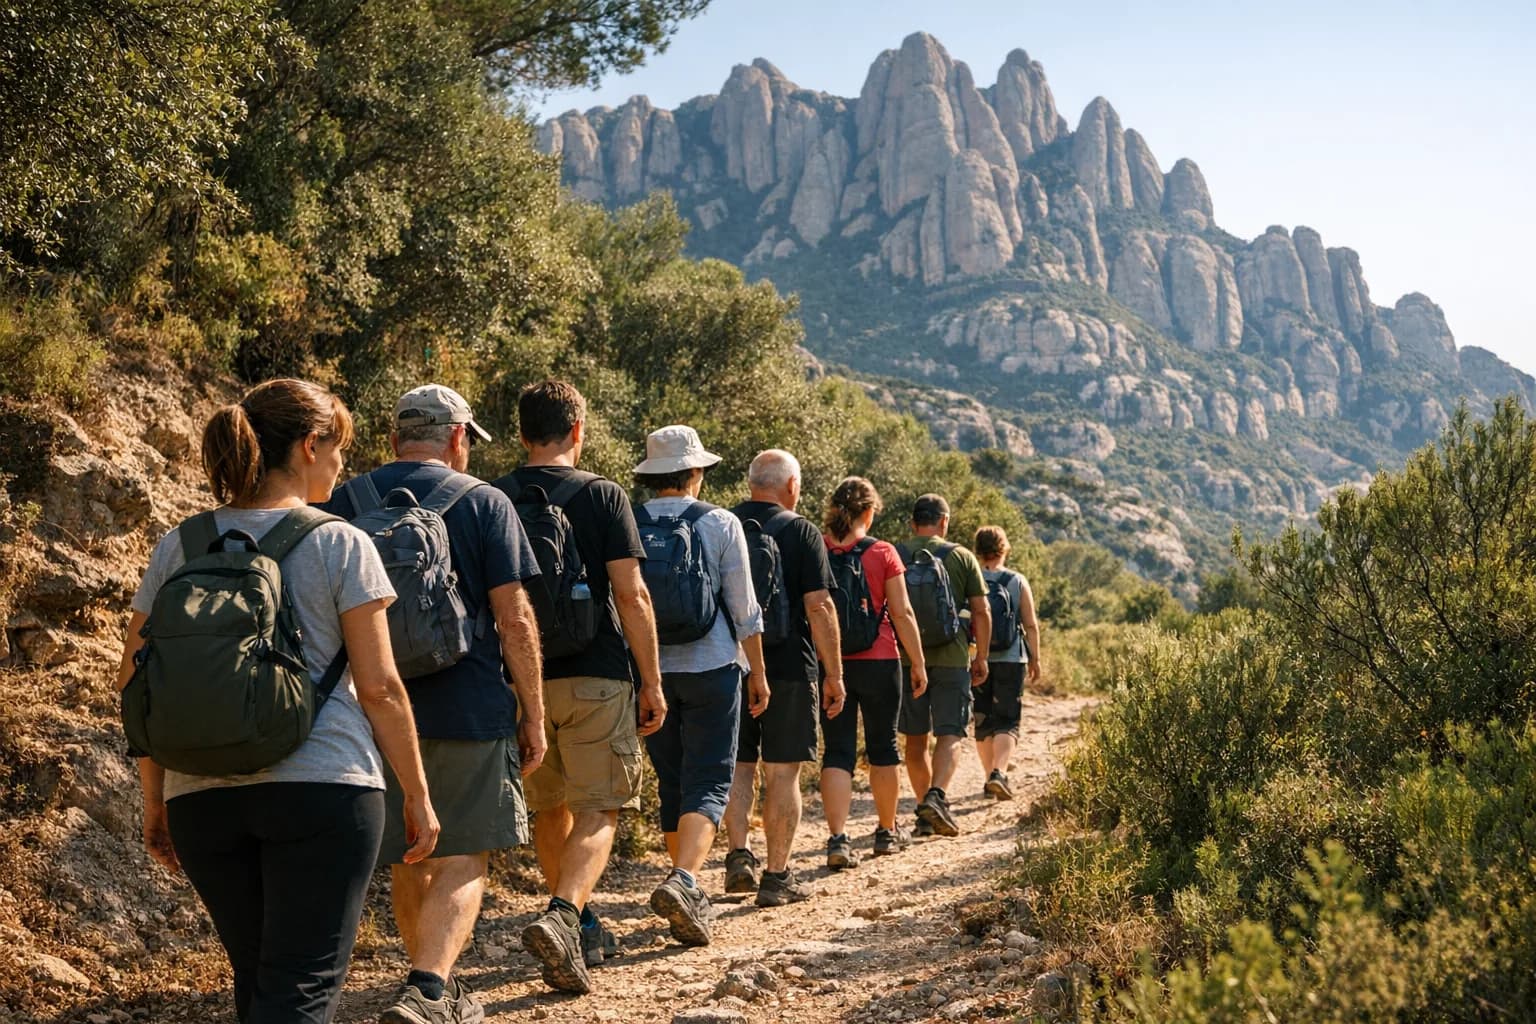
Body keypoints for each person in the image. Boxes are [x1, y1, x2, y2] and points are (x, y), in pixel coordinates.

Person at [118, 378, 440, 1024]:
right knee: (300, 987)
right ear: (309, 444)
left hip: (199, 797)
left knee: (262, 984)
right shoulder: (340, 541)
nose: (341, 466)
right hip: (322, 787)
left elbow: (135, 684)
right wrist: (417, 792)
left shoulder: (178, 544)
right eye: (338, 449)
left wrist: (156, 798)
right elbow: (379, 687)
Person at [319, 383, 546, 1024]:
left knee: (407, 850)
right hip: (469, 706)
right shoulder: (486, 503)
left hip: (373, 710)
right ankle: (428, 986)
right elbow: (515, 618)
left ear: (394, 438)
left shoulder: (345, 499)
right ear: (456, 437)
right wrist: (531, 710)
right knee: (465, 851)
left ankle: (426, 984)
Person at [491, 381, 666, 994]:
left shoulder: (494, 498)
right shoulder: (602, 495)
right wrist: (651, 679)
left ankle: (583, 922)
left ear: (521, 434)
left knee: (548, 808)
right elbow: (631, 593)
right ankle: (566, 915)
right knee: (600, 807)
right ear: (578, 431)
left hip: (523, 683)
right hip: (598, 674)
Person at [635, 425, 769, 946]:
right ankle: (685, 880)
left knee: (672, 779)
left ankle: (680, 884)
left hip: (653, 674)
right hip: (713, 667)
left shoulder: (630, 519)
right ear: (696, 473)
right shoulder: (720, 521)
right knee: (710, 779)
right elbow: (744, 607)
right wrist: (757, 671)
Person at [723, 450, 844, 905]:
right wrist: (834, 674)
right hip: (791, 666)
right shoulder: (801, 531)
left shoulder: (723, 522)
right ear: (791, 485)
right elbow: (820, 605)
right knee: (783, 772)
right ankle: (776, 877)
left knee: (739, 765)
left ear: (752, 482)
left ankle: (738, 857)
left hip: (733, 665)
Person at [818, 477, 930, 863]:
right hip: (881, 660)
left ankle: (837, 839)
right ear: (869, 512)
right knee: (883, 747)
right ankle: (886, 832)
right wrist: (916, 662)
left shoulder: (817, 546)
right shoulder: (883, 552)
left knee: (837, 751)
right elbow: (902, 612)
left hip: (830, 664)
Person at [898, 493, 990, 838]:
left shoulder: (896, 553)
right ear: (944, 522)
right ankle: (937, 797)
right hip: (952, 659)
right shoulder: (961, 556)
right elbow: (981, 610)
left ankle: (924, 810)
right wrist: (980, 656)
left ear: (912, 523)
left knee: (915, 740)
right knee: (950, 733)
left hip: (907, 660)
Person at [972, 526, 1041, 801]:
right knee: (1007, 720)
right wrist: (1035, 657)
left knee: (982, 719)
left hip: (978, 658)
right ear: (1005, 548)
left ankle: (989, 775)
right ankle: (998, 774)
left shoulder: (970, 577)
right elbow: (1031, 624)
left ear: (978, 549)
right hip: (1012, 658)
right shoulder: (1017, 580)